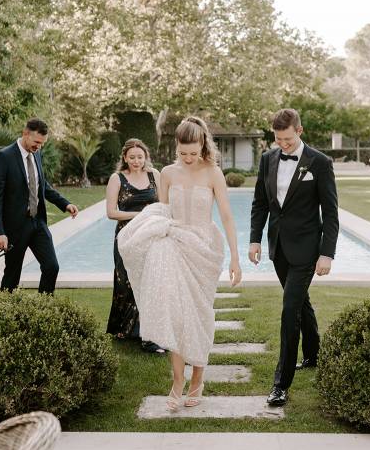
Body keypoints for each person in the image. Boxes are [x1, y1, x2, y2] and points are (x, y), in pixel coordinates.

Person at [117, 116, 242, 411]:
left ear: (203, 145)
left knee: (199, 315)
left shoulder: (213, 173)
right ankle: (177, 382)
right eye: (183, 153)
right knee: (174, 313)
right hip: (173, 244)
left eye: (193, 153)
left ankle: (198, 378)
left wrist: (235, 257)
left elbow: (225, 216)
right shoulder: (168, 173)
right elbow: (162, 210)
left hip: (203, 248)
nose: (187, 158)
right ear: (177, 148)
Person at [249, 108, 339, 407]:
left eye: (287, 139)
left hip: (306, 248)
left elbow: (331, 212)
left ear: (299, 131)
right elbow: (260, 203)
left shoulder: (320, 163)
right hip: (279, 247)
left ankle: (280, 384)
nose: (282, 145)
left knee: (290, 310)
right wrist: (254, 239)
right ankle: (314, 354)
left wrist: (326, 253)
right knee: (300, 301)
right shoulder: (267, 159)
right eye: (277, 139)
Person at [0, 118, 79, 294]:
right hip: (15, 227)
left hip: (38, 223)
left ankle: (43, 309)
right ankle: (6, 314)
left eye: (42, 143)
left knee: (51, 266)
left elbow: (41, 185)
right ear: (25, 134)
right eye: (37, 142)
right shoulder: (4, 157)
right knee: (12, 275)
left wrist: (65, 204)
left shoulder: (36, 153)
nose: (39, 147)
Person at [105, 138, 166, 354]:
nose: (136, 161)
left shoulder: (155, 175)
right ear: (125, 158)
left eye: (140, 157)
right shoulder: (117, 178)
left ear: (145, 156)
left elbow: (164, 204)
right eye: (132, 157)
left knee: (150, 282)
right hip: (127, 237)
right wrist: (140, 215)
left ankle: (148, 334)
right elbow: (111, 212)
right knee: (126, 283)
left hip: (151, 237)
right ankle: (125, 329)